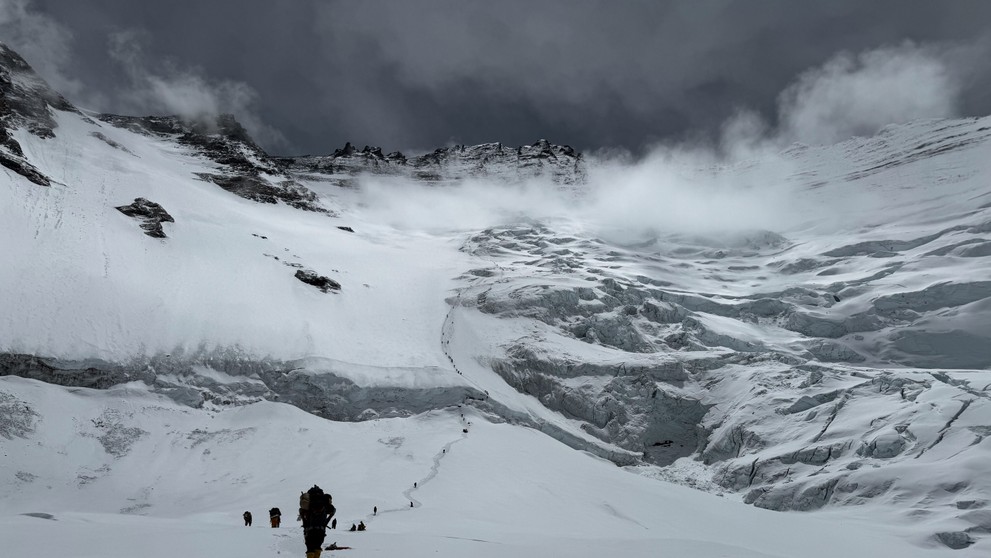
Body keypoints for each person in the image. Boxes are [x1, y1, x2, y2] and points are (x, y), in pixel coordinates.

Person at [299, 485, 335, 558]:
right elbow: (333, 511)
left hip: (309, 530)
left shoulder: (309, 504)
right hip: (321, 531)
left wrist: (305, 525)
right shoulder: (324, 503)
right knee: (317, 548)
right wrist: (325, 523)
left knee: (310, 549)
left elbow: (302, 513)